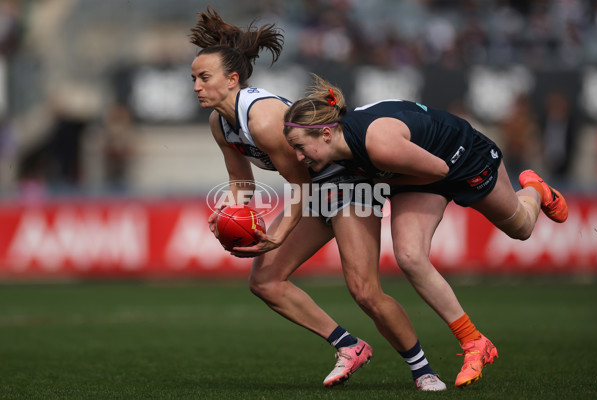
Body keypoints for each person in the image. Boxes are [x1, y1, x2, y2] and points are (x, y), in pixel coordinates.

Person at [189, 7, 446, 391]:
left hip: (346, 184)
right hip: (316, 191)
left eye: (203, 78)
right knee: (266, 280)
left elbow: (304, 186)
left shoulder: (261, 118)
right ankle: (349, 345)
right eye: (193, 78)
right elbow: (240, 179)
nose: (195, 86)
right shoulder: (219, 123)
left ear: (232, 79)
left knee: (364, 291)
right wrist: (230, 209)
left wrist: (275, 236)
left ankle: (423, 369)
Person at [283, 74, 569, 388]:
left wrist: (378, 183)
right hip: (416, 172)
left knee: (521, 227)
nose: (299, 157)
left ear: (325, 133)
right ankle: (474, 341)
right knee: (409, 256)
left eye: (300, 147)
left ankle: (535, 190)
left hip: (462, 159)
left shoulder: (378, 145)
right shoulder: (342, 148)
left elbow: (439, 172)